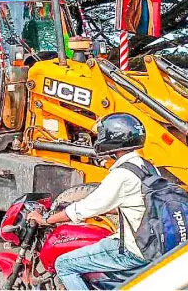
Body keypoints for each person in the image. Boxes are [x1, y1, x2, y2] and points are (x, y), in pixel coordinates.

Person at [26, 113, 153, 290]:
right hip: (152, 243)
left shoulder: (122, 175)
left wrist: (45, 220)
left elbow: (84, 208)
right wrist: (107, 210)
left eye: (101, 135)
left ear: (112, 139)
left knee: (64, 264)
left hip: (134, 250)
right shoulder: (146, 166)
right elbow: (138, 203)